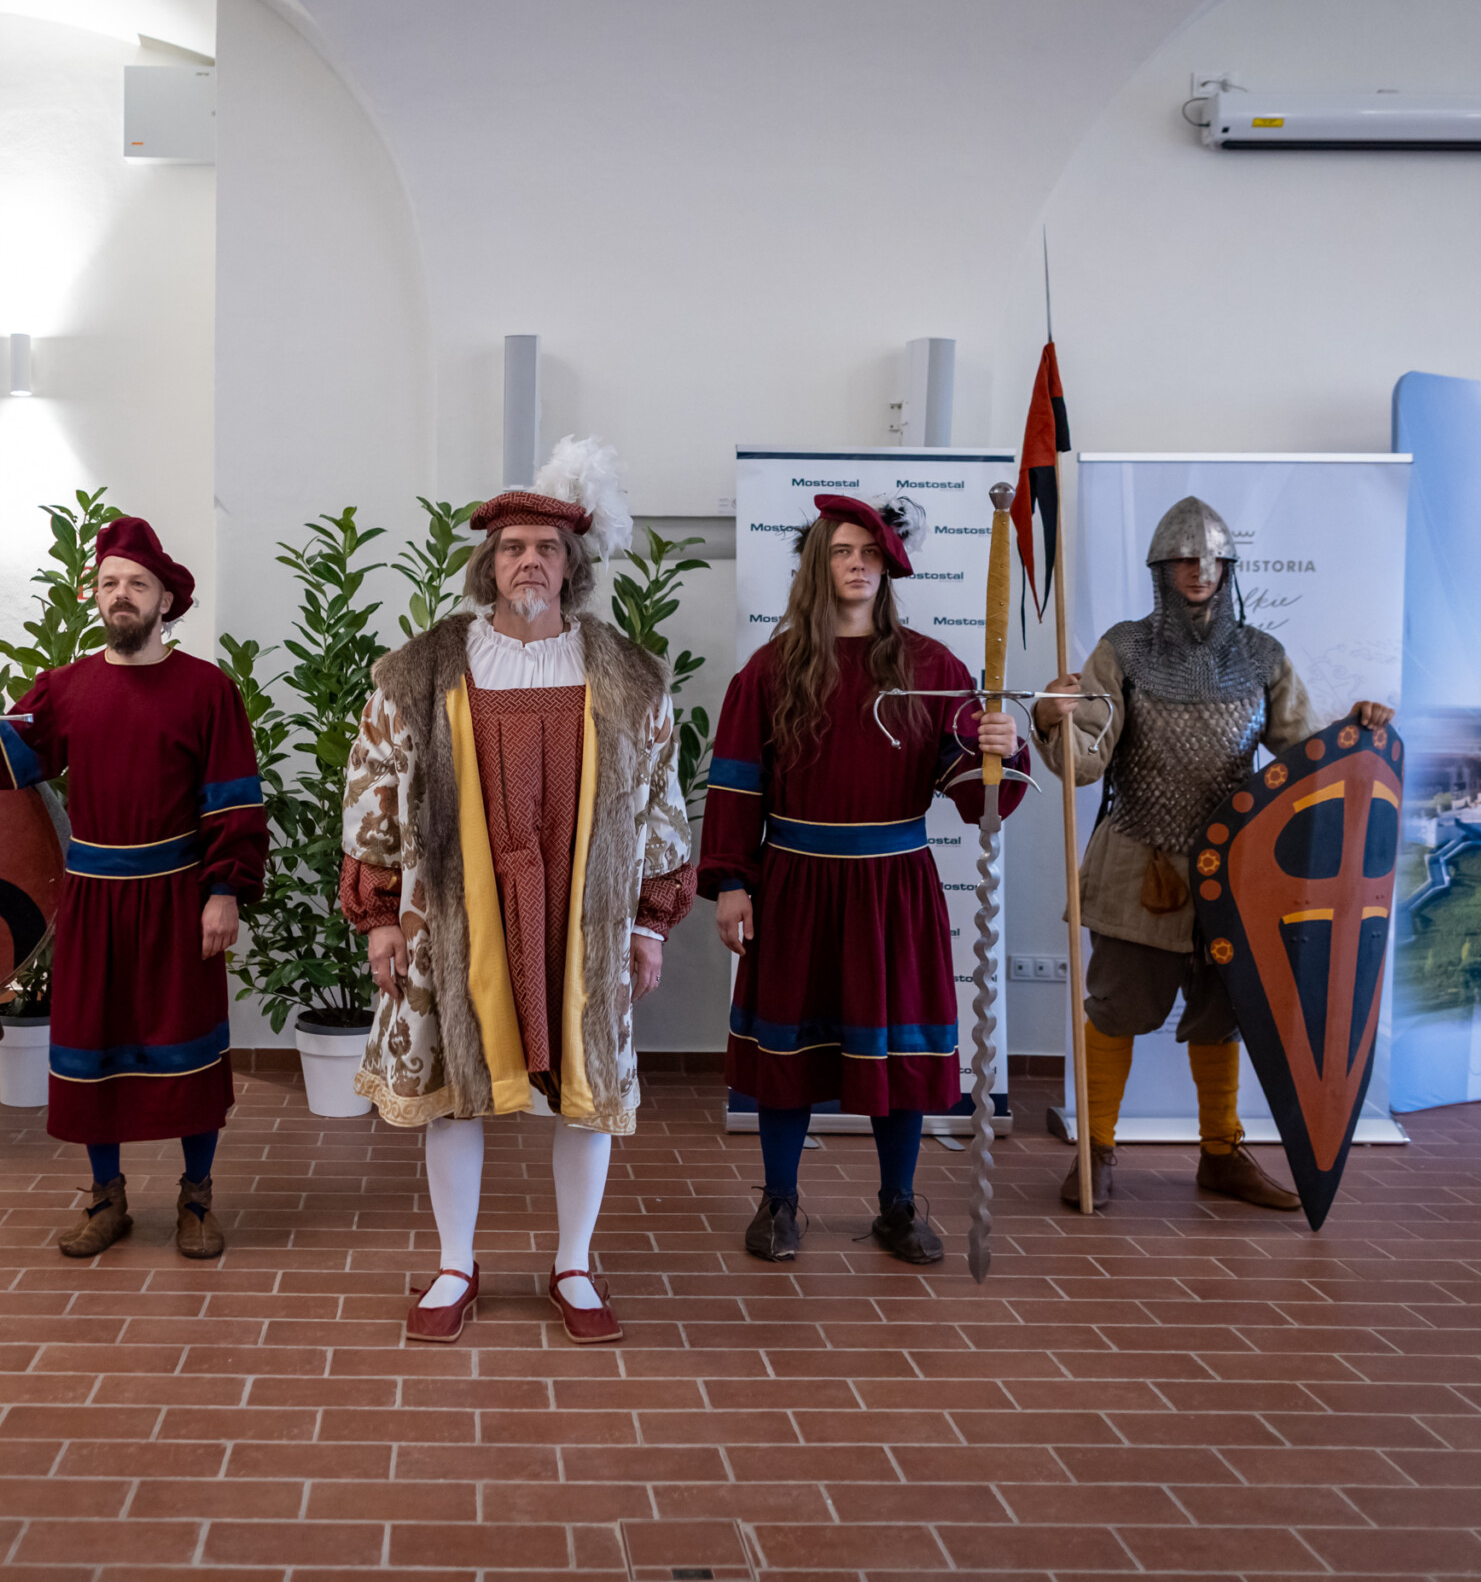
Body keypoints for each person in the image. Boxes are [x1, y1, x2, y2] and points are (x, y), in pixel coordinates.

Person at [340, 438, 695, 1345]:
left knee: (585, 1079)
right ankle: (455, 1263)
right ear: (487, 564)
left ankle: (573, 1263)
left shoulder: (629, 677)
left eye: (545, 546)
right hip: (454, 910)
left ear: (571, 564)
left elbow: (660, 798)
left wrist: (649, 924)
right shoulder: (421, 671)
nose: (527, 560)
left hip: (583, 912)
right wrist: (380, 916)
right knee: (454, 1080)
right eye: (510, 547)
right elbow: (373, 783)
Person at [0, 516, 264, 1260]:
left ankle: (196, 1197)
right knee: (94, 1047)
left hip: (176, 896)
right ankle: (107, 1196)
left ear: (166, 599)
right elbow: (5, 759)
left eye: (137, 583)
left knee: (188, 1049)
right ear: (96, 596)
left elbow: (233, 800)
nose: (121, 594)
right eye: (109, 583)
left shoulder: (207, 690)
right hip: (94, 899)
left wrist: (224, 890)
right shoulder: (66, 688)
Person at [1035, 495, 1394, 1211]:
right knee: (1119, 1007)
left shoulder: (1261, 656)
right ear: (1161, 569)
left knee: (1222, 1012)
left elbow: (1305, 760)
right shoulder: (1123, 650)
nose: (1198, 570)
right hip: (1140, 865)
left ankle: (1221, 1153)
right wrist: (1052, 715)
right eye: (1184, 559)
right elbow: (1084, 764)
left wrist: (1356, 736)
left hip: (1235, 871)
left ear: (1228, 568)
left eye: (1211, 559)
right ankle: (1095, 1150)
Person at [699, 496, 1028, 1263]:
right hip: (796, 883)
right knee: (786, 1052)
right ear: (818, 565)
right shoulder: (770, 671)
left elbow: (974, 797)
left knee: (898, 1053)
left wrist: (1001, 748)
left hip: (893, 888)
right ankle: (780, 1200)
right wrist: (734, 881)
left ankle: (898, 1204)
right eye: (842, 552)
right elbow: (738, 783)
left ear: (887, 568)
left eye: (870, 554)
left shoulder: (933, 668)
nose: (857, 564)